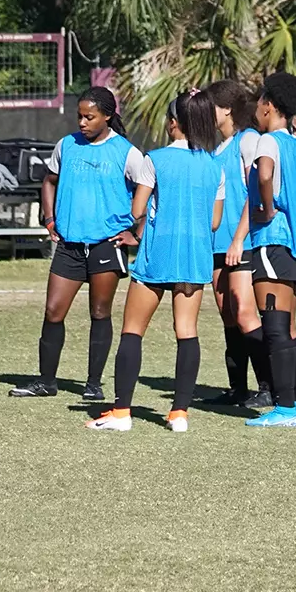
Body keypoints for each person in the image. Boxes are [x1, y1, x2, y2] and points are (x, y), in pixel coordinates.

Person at [87, 91, 227, 433]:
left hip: (156, 253)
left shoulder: (155, 159)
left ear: (174, 123)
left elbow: (137, 210)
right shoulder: (214, 165)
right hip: (195, 256)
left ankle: (121, 412)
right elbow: (214, 222)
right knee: (187, 332)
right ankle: (179, 413)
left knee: (133, 330)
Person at [9, 88, 149, 399]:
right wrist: (49, 218)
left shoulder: (127, 152)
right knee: (53, 311)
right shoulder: (66, 145)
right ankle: (46, 381)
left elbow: (149, 190)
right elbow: (49, 181)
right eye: (79, 116)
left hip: (106, 245)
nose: (83, 122)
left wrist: (136, 233)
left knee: (99, 313)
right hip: (69, 246)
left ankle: (93, 385)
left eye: (90, 117)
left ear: (107, 117)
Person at [229, 72, 296, 428]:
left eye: (259, 101)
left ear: (269, 105)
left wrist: (269, 208)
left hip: (273, 241)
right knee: (287, 328)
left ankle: (284, 407)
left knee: (274, 327)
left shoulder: (268, 142)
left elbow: (265, 175)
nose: (256, 108)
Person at [203, 80, 265, 409]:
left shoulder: (248, 140)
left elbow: (255, 192)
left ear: (227, 108)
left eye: (211, 105)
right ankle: (237, 388)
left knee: (244, 313)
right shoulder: (217, 150)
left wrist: (239, 238)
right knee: (228, 315)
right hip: (217, 244)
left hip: (241, 244)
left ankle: (267, 385)